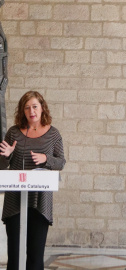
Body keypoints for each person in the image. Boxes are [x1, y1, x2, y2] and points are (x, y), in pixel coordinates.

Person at [0, 91, 65, 270]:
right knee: (14, 256)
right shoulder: (13, 133)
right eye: (27, 108)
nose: (31, 111)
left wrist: (46, 159)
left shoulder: (53, 134)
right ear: (22, 111)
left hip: (40, 200)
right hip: (15, 200)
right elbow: (3, 164)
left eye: (35, 106)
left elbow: (61, 162)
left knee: (35, 258)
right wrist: (5, 156)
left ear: (42, 108)